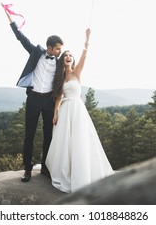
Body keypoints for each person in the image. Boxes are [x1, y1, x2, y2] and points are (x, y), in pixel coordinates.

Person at [45, 28, 114, 193]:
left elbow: (84, 56)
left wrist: (87, 39)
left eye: (70, 55)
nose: (68, 57)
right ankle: (66, 172)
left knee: (79, 140)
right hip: (65, 110)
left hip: (77, 110)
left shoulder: (77, 73)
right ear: (62, 60)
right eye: (65, 55)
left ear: (72, 59)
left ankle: (82, 173)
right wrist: (55, 113)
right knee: (64, 143)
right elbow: (58, 98)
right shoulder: (60, 78)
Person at [3, 7, 64, 182]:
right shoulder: (36, 52)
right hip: (33, 99)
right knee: (29, 135)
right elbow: (21, 38)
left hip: (49, 102)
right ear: (50, 48)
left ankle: (45, 167)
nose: (59, 51)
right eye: (58, 49)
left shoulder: (59, 62)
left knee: (48, 135)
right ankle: (27, 169)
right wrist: (11, 20)